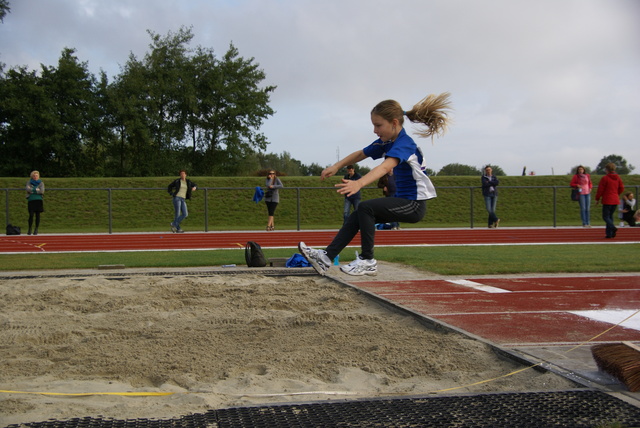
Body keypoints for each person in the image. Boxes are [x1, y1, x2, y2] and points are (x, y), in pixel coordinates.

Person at [298, 92, 451, 276]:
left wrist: (359, 184)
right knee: (359, 214)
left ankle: (368, 261)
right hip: (402, 200)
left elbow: (386, 167)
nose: (375, 130)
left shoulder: (404, 144)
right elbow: (361, 154)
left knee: (365, 208)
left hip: (414, 205)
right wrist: (337, 166)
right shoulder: (387, 142)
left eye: (378, 125)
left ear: (394, 123)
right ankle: (325, 258)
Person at [595, 162, 624, 239]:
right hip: (615, 199)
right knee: (610, 216)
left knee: (605, 217)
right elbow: (621, 188)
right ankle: (609, 233)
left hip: (607, 199)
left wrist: (597, 198)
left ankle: (612, 227)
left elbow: (600, 190)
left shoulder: (605, 178)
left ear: (607, 169)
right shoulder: (618, 178)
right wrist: (616, 193)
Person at [26, 170, 44, 235]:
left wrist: (33, 190)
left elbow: (42, 191)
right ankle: (29, 228)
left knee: (37, 215)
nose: (35, 177)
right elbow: (28, 189)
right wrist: (36, 189)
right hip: (31, 200)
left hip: (38, 200)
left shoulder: (41, 183)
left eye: (36, 175)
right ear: (32, 176)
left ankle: (36, 229)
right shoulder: (29, 182)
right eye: (34, 176)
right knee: (31, 214)